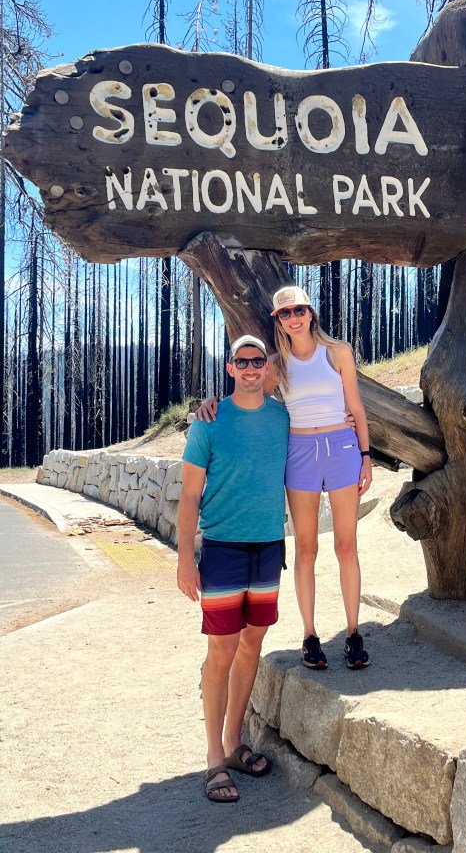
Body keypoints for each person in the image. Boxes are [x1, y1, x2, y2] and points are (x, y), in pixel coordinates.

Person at [199, 285, 373, 672]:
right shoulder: (275, 365)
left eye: (298, 310)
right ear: (278, 320)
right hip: (300, 453)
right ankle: (310, 636)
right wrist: (209, 402)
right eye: (284, 313)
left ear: (311, 313)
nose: (293, 317)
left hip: (342, 449)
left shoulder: (338, 352)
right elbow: (246, 394)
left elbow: (356, 408)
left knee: (347, 546)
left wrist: (365, 456)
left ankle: (353, 633)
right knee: (306, 549)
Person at [177, 335, 289, 804]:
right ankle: (212, 760)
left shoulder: (283, 417)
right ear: (229, 368)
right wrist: (185, 558)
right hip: (222, 547)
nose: (249, 368)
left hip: (268, 546)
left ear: (266, 367)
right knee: (221, 651)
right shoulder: (208, 422)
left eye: (256, 361)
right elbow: (188, 496)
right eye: (241, 362)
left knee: (252, 645)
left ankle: (234, 742)